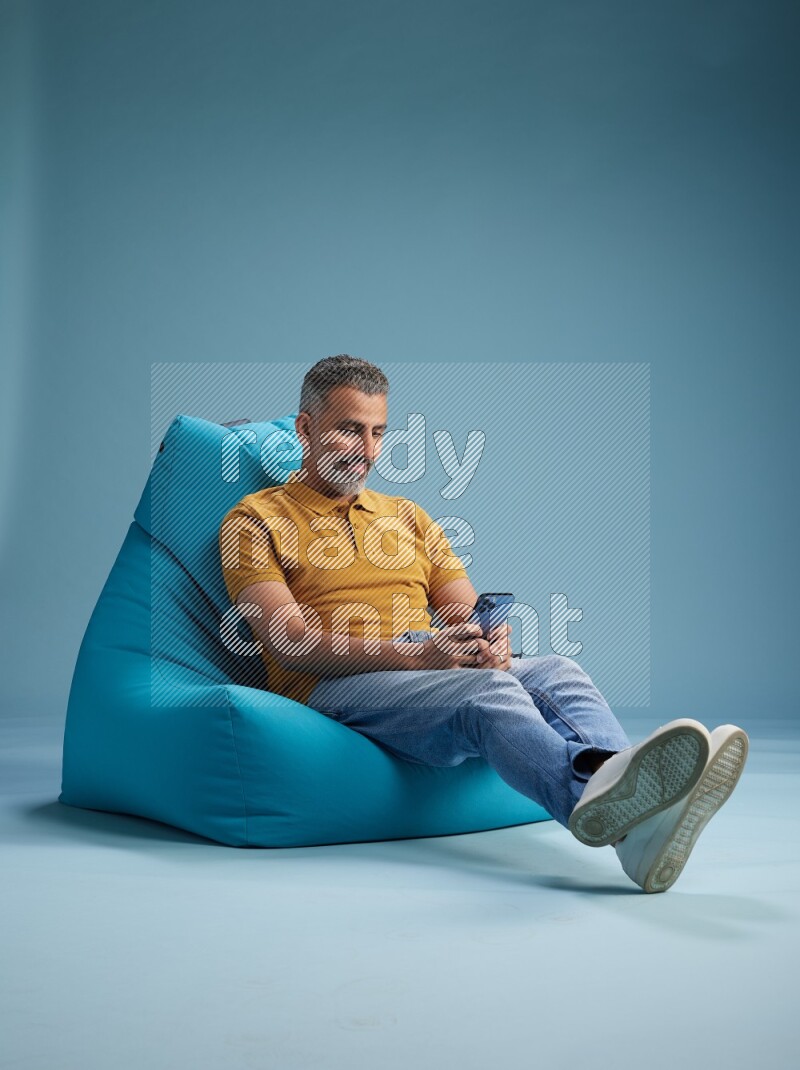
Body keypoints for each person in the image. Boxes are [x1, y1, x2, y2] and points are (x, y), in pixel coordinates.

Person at [219, 354, 749, 893]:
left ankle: (634, 802)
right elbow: (290, 642)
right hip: (333, 686)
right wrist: (420, 657)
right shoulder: (254, 520)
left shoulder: (407, 516)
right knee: (488, 694)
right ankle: (624, 810)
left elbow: (462, 612)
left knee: (557, 669)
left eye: (379, 433)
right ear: (306, 428)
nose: (368, 451)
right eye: (350, 431)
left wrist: (485, 642)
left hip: (425, 664)